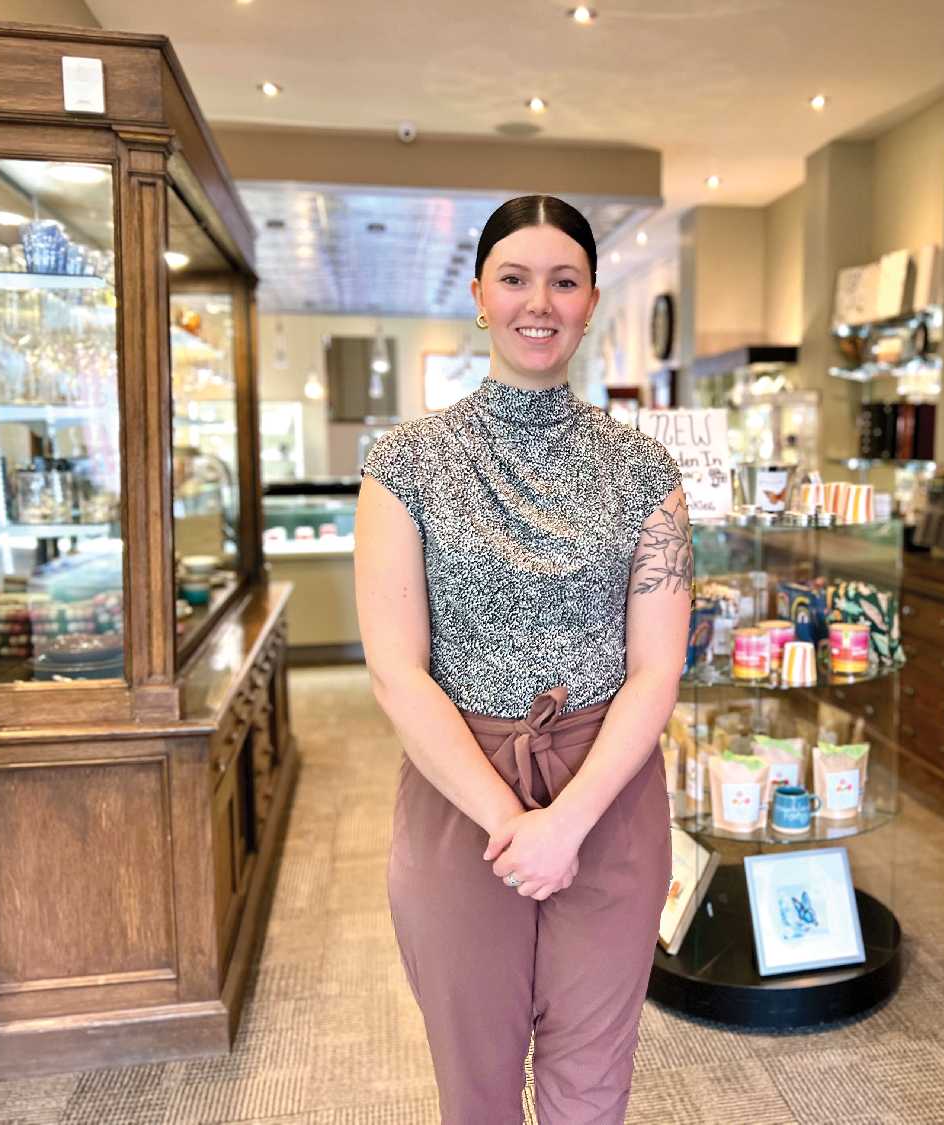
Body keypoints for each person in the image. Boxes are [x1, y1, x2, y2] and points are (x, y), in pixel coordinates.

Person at [353, 194, 691, 1124]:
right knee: (478, 1085)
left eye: (564, 280)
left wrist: (568, 822)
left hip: (609, 798)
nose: (537, 302)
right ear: (478, 295)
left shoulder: (644, 471)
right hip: (461, 799)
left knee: (593, 1082)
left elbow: (656, 666)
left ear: (589, 301)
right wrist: (514, 821)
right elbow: (396, 670)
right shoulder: (406, 463)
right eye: (514, 278)